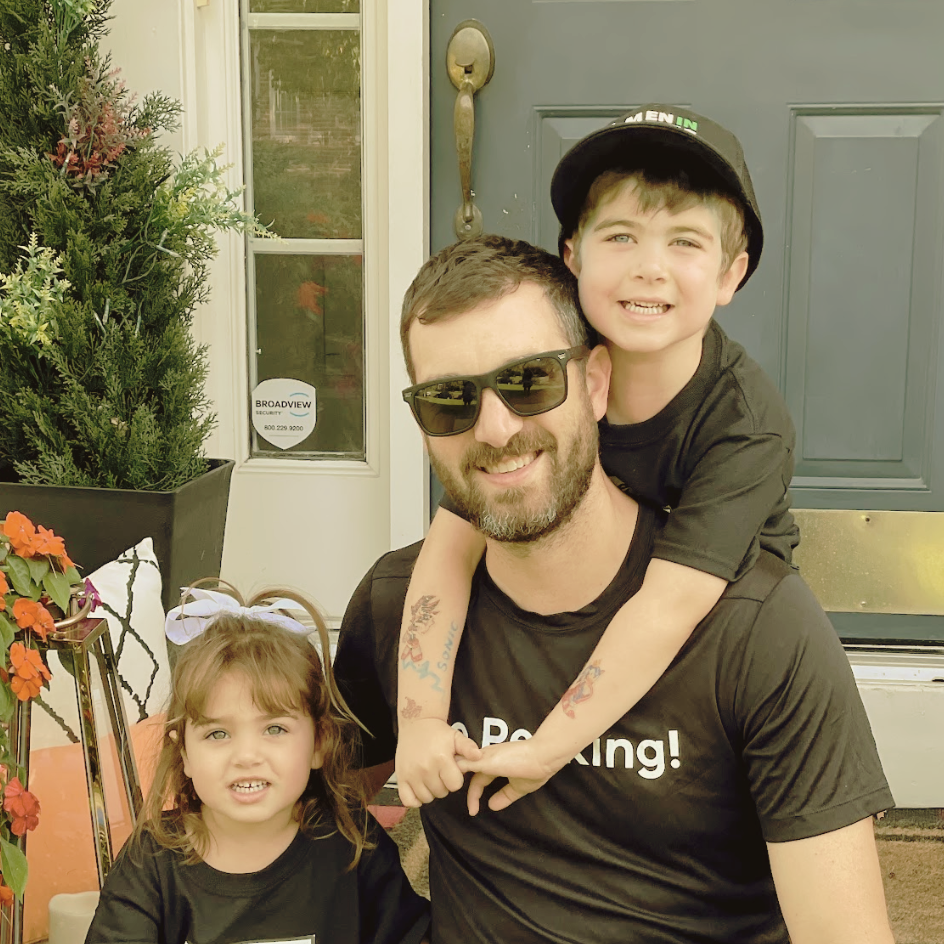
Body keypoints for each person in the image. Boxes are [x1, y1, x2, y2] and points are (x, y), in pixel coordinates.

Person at [333, 235, 896, 943]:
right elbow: (308, 813)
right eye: (450, 400)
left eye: (529, 380)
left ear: (596, 383)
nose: (496, 428)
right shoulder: (396, 603)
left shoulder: (757, 627)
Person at [393, 105, 802, 811]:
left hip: (709, 630)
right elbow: (450, 546)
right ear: (573, 254)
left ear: (731, 275)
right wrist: (420, 718)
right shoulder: (543, 368)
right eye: (621, 236)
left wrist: (547, 750)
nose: (649, 269)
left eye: (684, 242)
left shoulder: (745, 426)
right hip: (577, 605)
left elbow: (669, 610)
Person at [86, 583, 430, 944]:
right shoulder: (151, 860)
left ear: (320, 742)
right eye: (218, 734)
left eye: (275, 728)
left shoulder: (353, 845)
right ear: (184, 752)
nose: (247, 756)